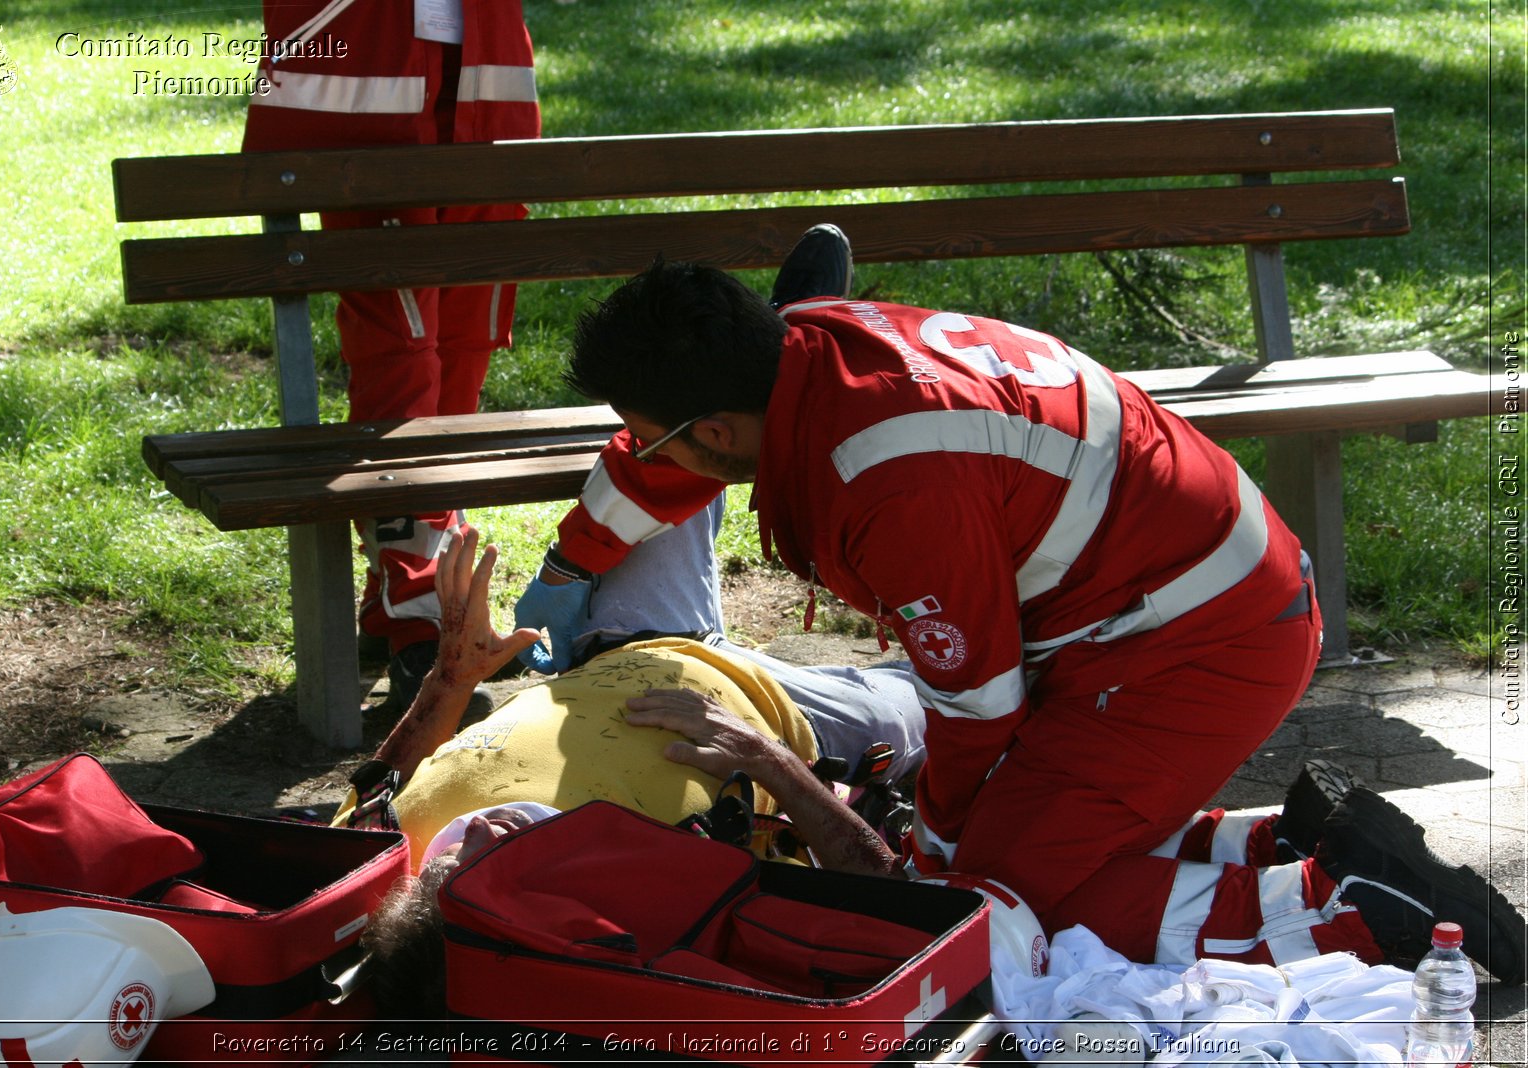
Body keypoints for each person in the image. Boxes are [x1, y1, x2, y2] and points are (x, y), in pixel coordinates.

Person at [507, 227, 1527, 984]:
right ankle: (1281, 844)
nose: (645, 458)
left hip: (1191, 643)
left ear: (717, 429)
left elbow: (976, 711)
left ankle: (1353, 912)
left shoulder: (889, 478)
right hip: (1164, 611)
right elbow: (686, 460)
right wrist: (571, 556)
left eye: (651, 437)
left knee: (982, 917)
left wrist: (941, 850)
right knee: (999, 858)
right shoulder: (809, 350)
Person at [347, 523, 926, 1016]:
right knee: (970, 683)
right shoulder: (654, 898)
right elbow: (886, 890)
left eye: (443, 866)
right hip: (791, 713)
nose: (476, 830)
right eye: (498, 861)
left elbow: (380, 783)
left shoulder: (379, 863)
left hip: (625, 643)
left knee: (662, 447)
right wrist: (765, 756)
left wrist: (448, 680)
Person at [242, 1, 540, 711]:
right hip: (365, 76)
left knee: (466, 347)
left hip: (483, 75)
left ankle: (400, 594)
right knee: (401, 358)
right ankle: (417, 605)